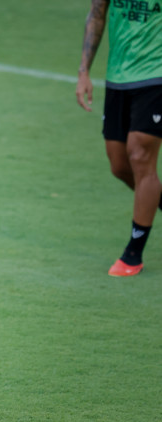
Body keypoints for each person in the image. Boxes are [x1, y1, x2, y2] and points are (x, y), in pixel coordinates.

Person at [76, 0, 162, 276]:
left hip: (155, 77)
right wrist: (84, 71)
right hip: (118, 77)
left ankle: (132, 255)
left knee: (140, 155)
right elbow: (97, 15)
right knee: (119, 165)